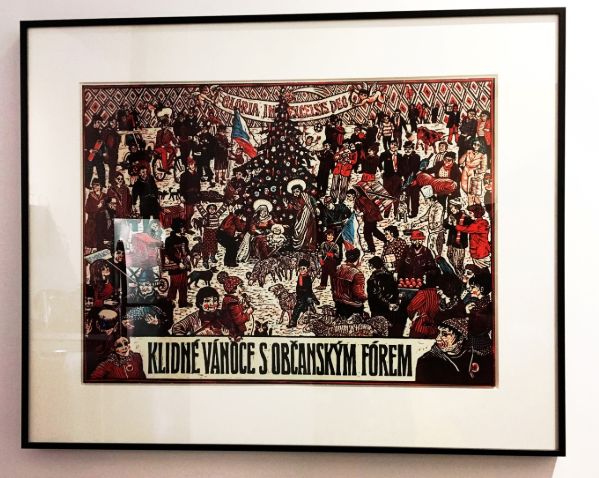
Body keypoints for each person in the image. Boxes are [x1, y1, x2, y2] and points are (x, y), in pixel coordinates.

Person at [415, 318, 494, 385]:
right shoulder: (427, 361)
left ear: (461, 339)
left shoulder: (479, 357)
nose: (438, 338)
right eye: (439, 333)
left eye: (445, 334)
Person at [366, 256, 402, 335]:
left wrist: (387, 304)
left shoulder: (372, 279)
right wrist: (392, 303)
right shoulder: (389, 275)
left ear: (372, 266)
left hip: (378, 309)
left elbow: (376, 296)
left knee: (378, 330)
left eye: (369, 265)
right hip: (390, 308)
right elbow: (395, 291)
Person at [346, 188, 385, 253]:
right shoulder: (357, 200)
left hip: (371, 218)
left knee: (367, 234)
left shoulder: (362, 199)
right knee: (374, 231)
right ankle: (385, 241)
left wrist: (362, 213)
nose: (348, 198)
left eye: (349, 196)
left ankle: (372, 249)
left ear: (353, 195)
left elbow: (369, 208)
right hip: (369, 218)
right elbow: (357, 208)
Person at [164, 218, 192, 308]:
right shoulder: (169, 240)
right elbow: (169, 253)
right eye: (182, 227)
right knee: (175, 284)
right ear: (177, 228)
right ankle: (169, 302)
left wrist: (190, 255)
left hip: (184, 264)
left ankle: (183, 302)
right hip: (175, 266)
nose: (184, 229)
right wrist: (178, 262)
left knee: (184, 284)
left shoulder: (184, 239)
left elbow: (187, 250)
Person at [410, 185, 445, 258]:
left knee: (435, 250)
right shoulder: (432, 206)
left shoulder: (439, 207)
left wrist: (424, 226)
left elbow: (437, 222)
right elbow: (426, 216)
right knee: (431, 249)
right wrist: (417, 221)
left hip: (437, 233)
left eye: (427, 200)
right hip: (432, 232)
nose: (426, 202)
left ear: (431, 199)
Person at [332, 248, 367, 319]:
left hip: (339, 304)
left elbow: (333, 286)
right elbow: (358, 294)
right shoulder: (357, 274)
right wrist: (365, 297)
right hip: (352, 306)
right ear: (358, 259)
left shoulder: (338, 268)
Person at [284, 179, 317, 252]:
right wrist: (286, 205)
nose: (295, 193)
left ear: (300, 191)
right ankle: (299, 246)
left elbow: (313, 203)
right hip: (299, 217)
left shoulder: (307, 196)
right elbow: (292, 208)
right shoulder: (293, 199)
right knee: (297, 230)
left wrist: (315, 208)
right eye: (294, 192)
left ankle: (307, 246)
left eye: (297, 191)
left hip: (308, 216)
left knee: (308, 231)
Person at [218, 272, 253, 339]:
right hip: (235, 331)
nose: (243, 288)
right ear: (234, 288)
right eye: (241, 286)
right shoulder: (232, 303)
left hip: (231, 329)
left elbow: (235, 313)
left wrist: (243, 307)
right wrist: (248, 312)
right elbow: (239, 320)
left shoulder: (228, 299)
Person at [455, 204, 491, 270]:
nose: (469, 215)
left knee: (482, 271)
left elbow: (468, 229)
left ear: (476, 213)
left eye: (471, 213)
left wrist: (455, 225)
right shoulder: (479, 222)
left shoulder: (480, 223)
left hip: (480, 253)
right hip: (479, 252)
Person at [443, 199, 472, 275]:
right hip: (451, 242)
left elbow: (470, 227)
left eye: (452, 208)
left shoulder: (465, 217)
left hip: (460, 243)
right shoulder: (451, 216)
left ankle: (460, 275)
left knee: (458, 263)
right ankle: (459, 273)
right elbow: (445, 225)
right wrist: (448, 223)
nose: (451, 210)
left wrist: (456, 225)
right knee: (449, 256)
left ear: (457, 207)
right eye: (450, 208)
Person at [288, 259, 319, 328]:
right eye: (300, 268)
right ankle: (293, 322)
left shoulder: (307, 278)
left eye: (304, 268)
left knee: (308, 310)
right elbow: (298, 287)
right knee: (298, 309)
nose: (302, 270)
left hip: (307, 297)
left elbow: (309, 289)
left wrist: (311, 297)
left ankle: (314, 322)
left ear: (307, 269)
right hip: (300, 297)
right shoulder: (300, 277)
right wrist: (298, 293)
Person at [196, 202, 227, 268]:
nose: (212, 210)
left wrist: (226, 203)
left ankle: (212, 256)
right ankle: (205, 260)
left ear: (215, 210)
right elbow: (200, 209)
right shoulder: (205, 215)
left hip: (215, 232)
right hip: (207, 232)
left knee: (214, 245)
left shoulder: (217, 215)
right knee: (206, 246)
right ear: (207, 209)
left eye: (213, 209)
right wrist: (197, 203)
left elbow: (222, 209)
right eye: (210, 208)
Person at [459, 140, 488, 206]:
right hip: (465, 170)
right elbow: (460, 162)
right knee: (464, 188)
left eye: (478, 145)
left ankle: (473, 206)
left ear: (481, 146)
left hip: (474, 172)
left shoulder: (482, 155)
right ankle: (475, 206)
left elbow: (484, 168)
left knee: (472, 192)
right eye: (474, 144)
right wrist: (465, 154)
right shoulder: (468, 152)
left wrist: (477, 171)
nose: (475, 146)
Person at [84, 114, 106, 189]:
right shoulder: (87, 130)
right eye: (98, 122)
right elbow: (84, 142)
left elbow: (100, 142)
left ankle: (102, 184)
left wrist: (103, 151)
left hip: (97, 153)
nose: (99, 124)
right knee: (89, 169)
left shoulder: (97, 131)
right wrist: (89, 149)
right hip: (89, 154)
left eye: (100, 123)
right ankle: (87, 185)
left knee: (101, 168)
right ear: (94, 122)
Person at [399, 141, 421, 218]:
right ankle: (406, 212)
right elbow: (401, 169)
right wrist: (402, 177)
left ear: (412, 149)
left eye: (409, 149)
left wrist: (415, 179)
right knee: (406, 197)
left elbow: (417, 169)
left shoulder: (416, 157)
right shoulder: (403, 158)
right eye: (406, 149)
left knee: (415, 197)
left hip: (414, 180)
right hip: (406, 180)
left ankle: (414, 212)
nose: (407, 150)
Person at [179, 158, 202, 228]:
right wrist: (182, 196)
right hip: (188, 195)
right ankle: (187, 224)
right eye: (191, 164)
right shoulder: (184, 175)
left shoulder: (197, 174)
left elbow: (198, 185)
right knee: (188, 211)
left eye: (194, 164)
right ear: (188, 165)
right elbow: (182, 187)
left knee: (192, 211)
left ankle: (189, 222)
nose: (193, 166)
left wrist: (199, 194)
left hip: (195, 195)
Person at [84, 180, 106, 250]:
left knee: (100, 231)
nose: (96, 187)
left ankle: (100, 245)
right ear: (92, 186)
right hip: (93, 217)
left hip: (101, 217)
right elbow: (87, 207)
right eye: (94, 185)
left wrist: (103, 204)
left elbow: (107, 205)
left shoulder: (104, 195)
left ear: (100, 186)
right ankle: (93, 246)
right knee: (92, 231)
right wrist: (96, 208)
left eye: (98, 185)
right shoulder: (91, 195)